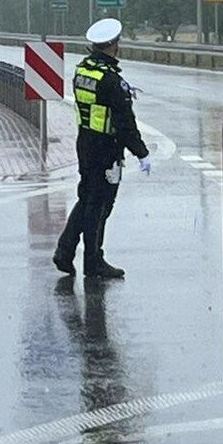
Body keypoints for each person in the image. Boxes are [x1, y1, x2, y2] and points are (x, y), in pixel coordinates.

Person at [53, 18, 150, 279]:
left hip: (85, 143)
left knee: (87, 199)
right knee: (101, 205)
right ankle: (93, 261)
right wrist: (141, 152)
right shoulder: (111, 80)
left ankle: (65, 251)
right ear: (114, 45)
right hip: (106, 149)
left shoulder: (84, 71)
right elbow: (125, 123)